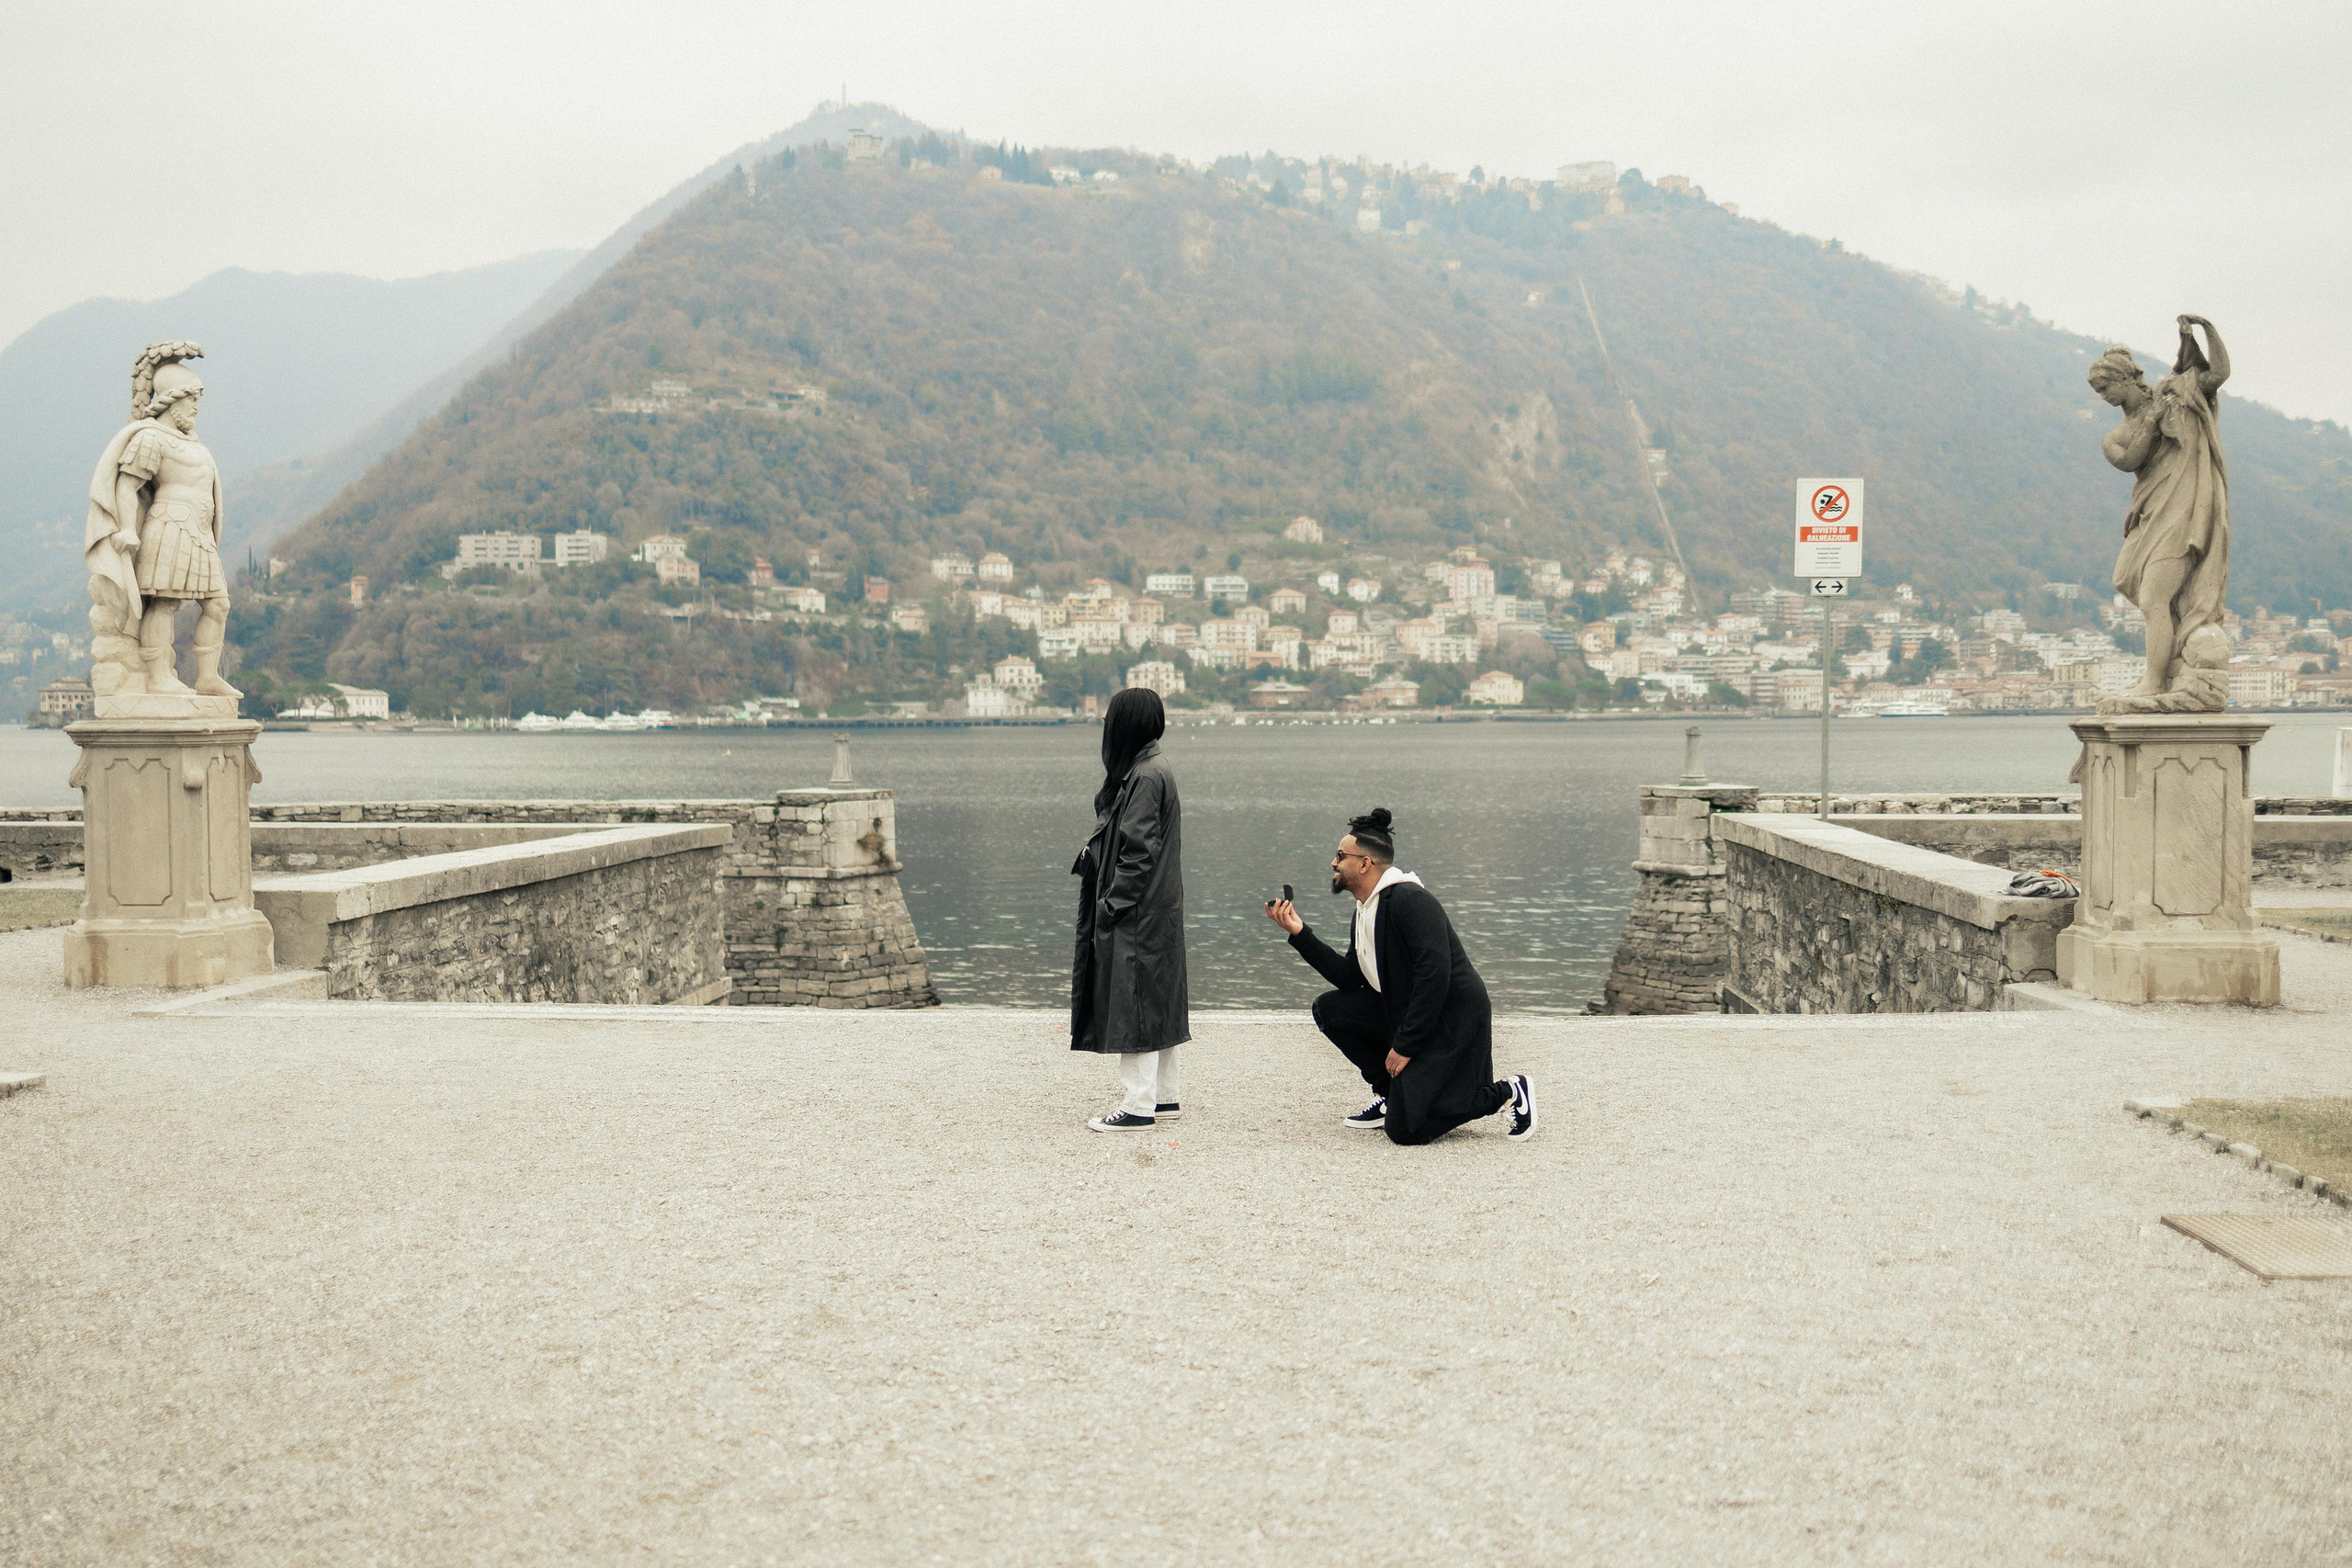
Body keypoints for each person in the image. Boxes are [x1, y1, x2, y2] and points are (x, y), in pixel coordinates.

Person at [1263, 807, 1534, 1145]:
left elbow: (1434, 975)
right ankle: (1392, 1094)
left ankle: (1507, 1091)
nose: (1333, 863)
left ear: (1365, 863)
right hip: (1411, 1014)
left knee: (1407, 1131)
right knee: (1330, 1009)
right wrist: (1299, 933)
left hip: (1452, 1021)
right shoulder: (1366, 909)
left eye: (1340, 856)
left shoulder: (1410, 900)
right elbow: (1351, 978)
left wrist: (1406, 1045)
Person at [2087, 315, 2230, 704]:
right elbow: (2132, 459)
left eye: (2105, 387)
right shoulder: (2114, 435)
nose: (2103, 396)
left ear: (2127, 378)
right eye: (2098, 391)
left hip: (2183, 505)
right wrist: (2151, 421)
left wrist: (2205, 331)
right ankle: (2170, 657)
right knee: (2126, 580)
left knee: (2153, 598)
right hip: (2152, 510)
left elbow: (2217, 373)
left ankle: (2155, 681)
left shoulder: (2176, 395)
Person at [1070, 687, 1189, 1130]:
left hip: (1137, 912)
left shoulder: (1144, 776)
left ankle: (1139, 1105)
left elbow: (1138, 852)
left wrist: (1110, 905)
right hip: (1157, 908)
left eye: (1109, 716)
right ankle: (1165, 1098)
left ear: (1127, 723)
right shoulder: (1152, 768)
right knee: (1156, 1001)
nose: (1104, 723)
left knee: (1133, 1003)